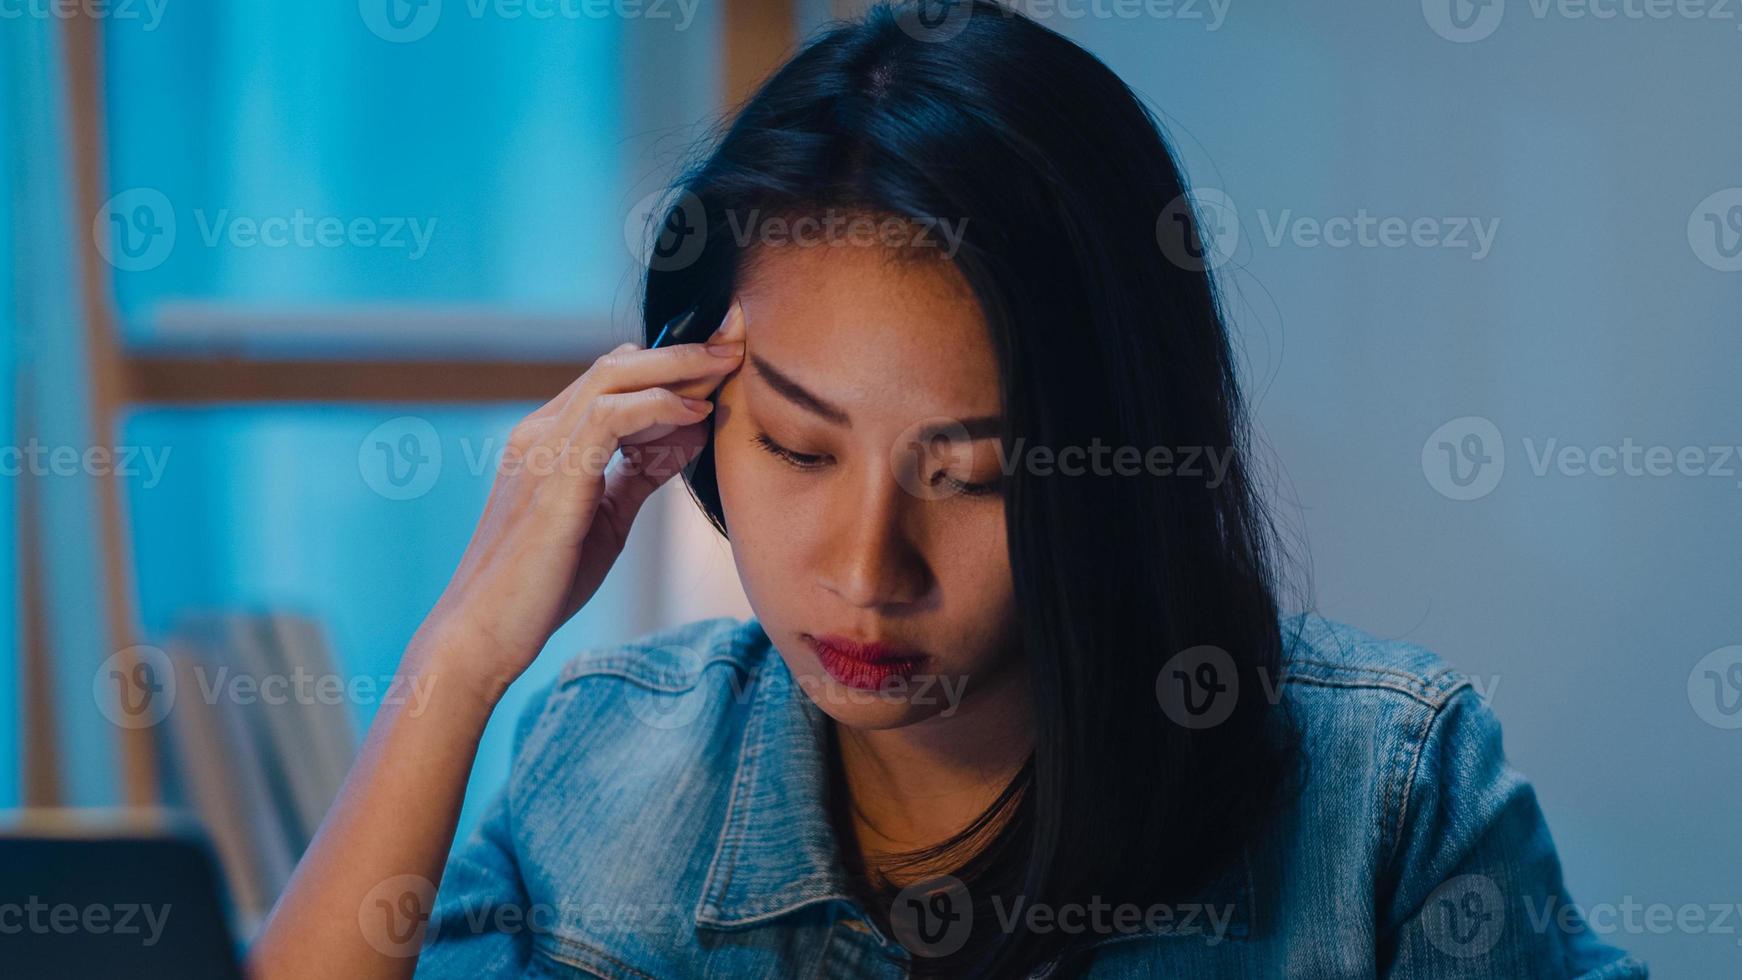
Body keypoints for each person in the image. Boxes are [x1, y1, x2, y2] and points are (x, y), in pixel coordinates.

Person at [246, 2, 1646, 977]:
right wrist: (463, 655)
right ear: (694, 407)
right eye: (797, 449)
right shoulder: (610, 765)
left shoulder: (1387, 798)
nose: (867, 569)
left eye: (973, 479)